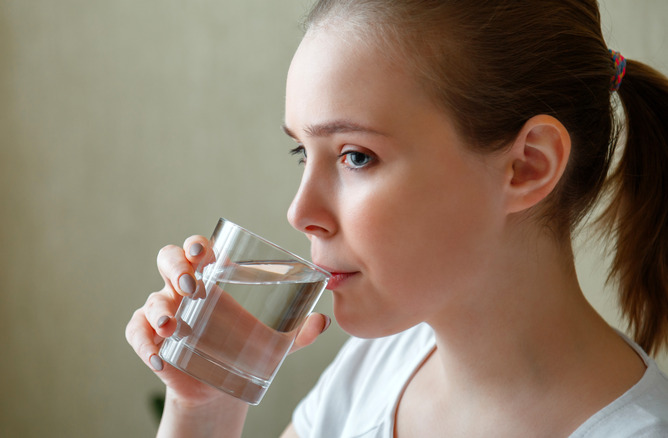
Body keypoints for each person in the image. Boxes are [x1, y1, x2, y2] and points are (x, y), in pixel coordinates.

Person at [126, 0, 668, 436]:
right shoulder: (373, 372)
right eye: (301, 153)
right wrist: (206, 409)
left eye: (355, 156)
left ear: (528, 166)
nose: (299, 212)